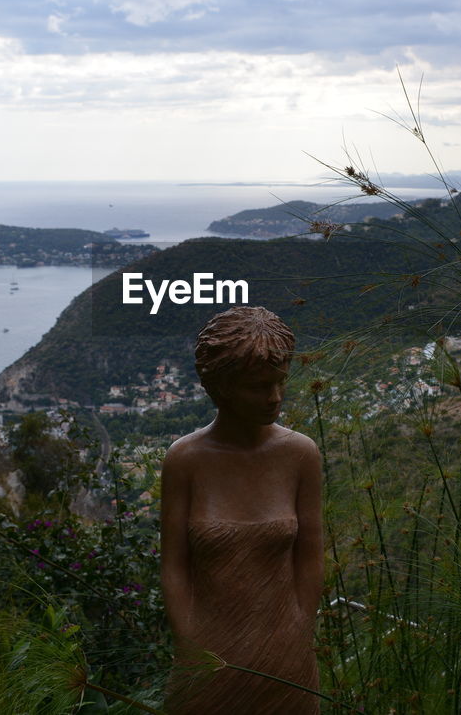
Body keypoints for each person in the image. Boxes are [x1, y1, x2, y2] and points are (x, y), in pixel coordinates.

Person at [160, 306, 323, 714]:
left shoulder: (300, 455)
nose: (275, 398)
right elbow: (174, 566)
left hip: (287, 657)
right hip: (207, 659)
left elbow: (310, 558)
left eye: (280, 382)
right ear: (222, 387)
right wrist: (189, 642)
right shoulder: (185, 460)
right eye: (258, 386)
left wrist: (300, 628)